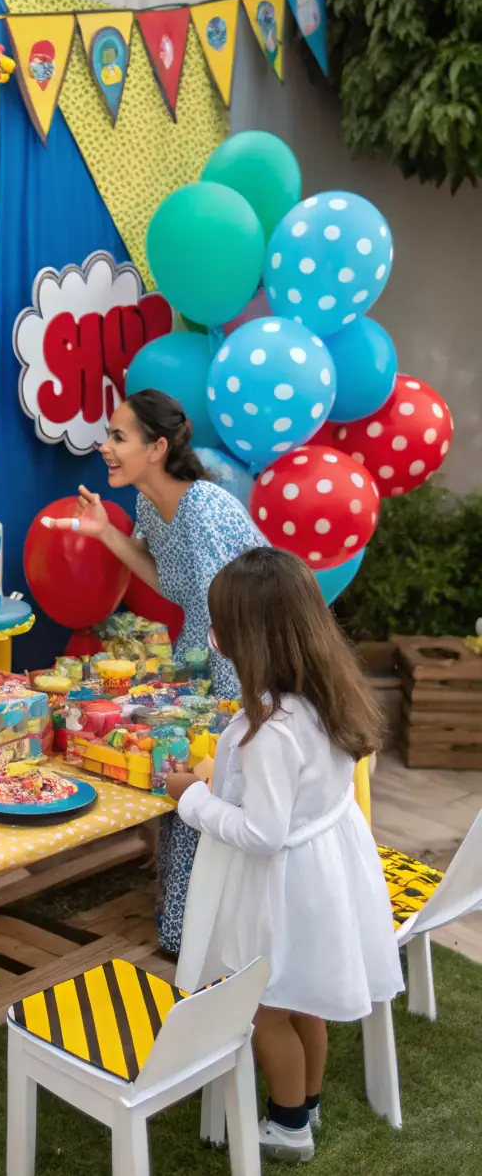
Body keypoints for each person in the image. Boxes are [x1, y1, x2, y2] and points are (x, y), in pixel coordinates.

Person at [166, 548, 403, 1164]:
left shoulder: (271, 729)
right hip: (323, 873)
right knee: (304, 999)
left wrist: (192, 798)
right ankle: (308, 1102)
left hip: (282, 886)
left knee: (264, 1008)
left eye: (220, 625)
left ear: (249, 639)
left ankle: (289, 1125)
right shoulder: (328, 696)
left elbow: (262, 832)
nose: (213, 636)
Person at [53, 389, 267, 953]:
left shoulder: (204, 508)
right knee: (185, 779)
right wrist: (105, 532)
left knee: (213, 783)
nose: (105, 446)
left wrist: (223, 702)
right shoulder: (153, 504)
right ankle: (183, 927)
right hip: (201, 650)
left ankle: (204, 934)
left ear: (158, 446)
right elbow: (166, 580)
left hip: (245, 659)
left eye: (119, 436)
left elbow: (234, 612)